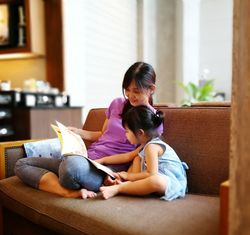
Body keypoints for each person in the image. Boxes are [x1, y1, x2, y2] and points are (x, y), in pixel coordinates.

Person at [15, 62, 163, 199]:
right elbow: (102, 135)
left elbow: (139, 156)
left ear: (151, 89)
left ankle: (68, 174)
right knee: (21, 164)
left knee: (70, 167)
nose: (130, 95)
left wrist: (120, 177)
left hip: (105, 170)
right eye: (127, 90)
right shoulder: (117, 104)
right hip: (86, 158)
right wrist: (77, 132)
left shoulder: (152, 121)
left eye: (136, 90)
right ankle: (67, 192)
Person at [100, 105, 188, 201]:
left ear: (140, 133)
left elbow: (151, 174)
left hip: (171, 182)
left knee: (155, 181)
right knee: (137, 159)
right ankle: (122, 184)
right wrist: (121, 176)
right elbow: (134, 167)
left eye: (127, 131)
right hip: (155, 178)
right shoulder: (144, 148)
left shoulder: (152, 147)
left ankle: (119, 188)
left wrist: (128, 175)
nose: (126, 135)